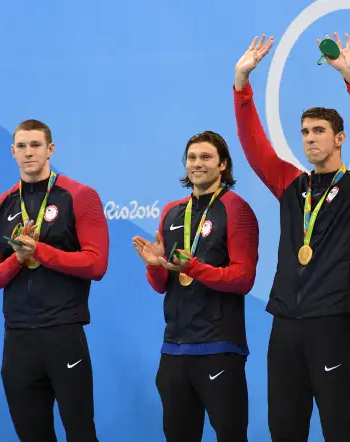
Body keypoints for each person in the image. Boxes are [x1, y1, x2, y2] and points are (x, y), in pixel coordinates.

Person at [233, 33, 350, 441]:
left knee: (338, 430)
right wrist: (241, 85)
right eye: (305, 131)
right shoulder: (291, 184)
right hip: (285, 323)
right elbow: (256, 151)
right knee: (283, 430)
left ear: (339, 138)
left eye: (319, 130)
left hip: (331, 324)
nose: (309, 138)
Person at [0, 119, 110, 442]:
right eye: (21, 146)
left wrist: (42, 252)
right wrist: (18, 260)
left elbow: (96, 264)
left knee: (81, 433)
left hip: (63, 333)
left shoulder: (80, 196)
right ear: (12, 152)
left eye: (35, 145)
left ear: (50, 149)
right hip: (19, 340)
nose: (28, 153)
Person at [132, 130, 259, 442]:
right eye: (192, 157)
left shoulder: (236, 208)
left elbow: (243, 278)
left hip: (219, 345)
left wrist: (194, 268)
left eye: (206, 157)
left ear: (223, 165)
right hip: (174, 347)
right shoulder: (172, 212)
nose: (197, 163)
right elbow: (163, 285)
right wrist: (154, 266)